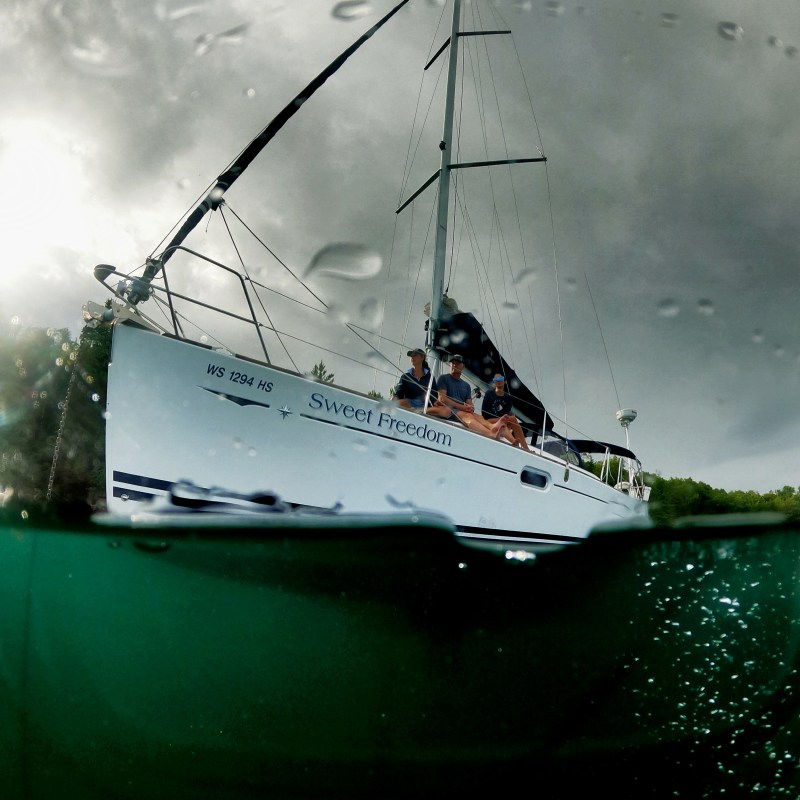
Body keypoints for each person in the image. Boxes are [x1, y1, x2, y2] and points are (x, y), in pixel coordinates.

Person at [426, 355, 508, 441]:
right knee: (468, 416)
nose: (454, 365)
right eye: (452, 363)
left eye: (457, 363)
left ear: (463, 366)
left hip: (460, 411)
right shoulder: (443, 378)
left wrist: (470, 407)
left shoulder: (466, 386)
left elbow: (469, 403)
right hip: (448, 410)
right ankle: (491, 434)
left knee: (478, 416)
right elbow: (442, 398)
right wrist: (461, 407)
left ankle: (492, 427)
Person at [481, 374, 532, 452]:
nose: (498, 380)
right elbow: (484, 413)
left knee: (512, 419)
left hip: (502, 420)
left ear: (504, 381)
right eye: (495, 379)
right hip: (489, 420)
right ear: (494, 382)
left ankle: (524, 447)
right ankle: (524, 447)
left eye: (500, 378)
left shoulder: (508, 398)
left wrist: (503, 419)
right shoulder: (489, 393)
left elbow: (506, 413)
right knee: (512, 418)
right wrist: (501, 419)